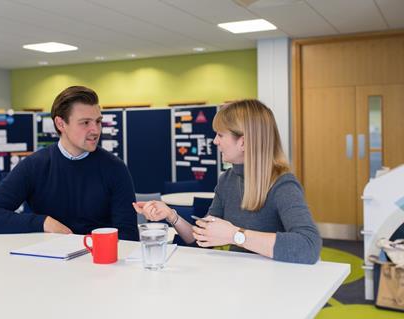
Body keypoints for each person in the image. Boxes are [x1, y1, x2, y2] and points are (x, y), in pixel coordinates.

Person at [134, 100, 322, 264]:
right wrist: (170, 215)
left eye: (220, 135)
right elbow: (200, 237)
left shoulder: (283, 184)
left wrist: (235, 235)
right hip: (236, 279)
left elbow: (309, 246)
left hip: (273, 285)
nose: (215, 141)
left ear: (244, 142)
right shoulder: (227, 180)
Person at [0, 86, 139, 240]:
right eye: (85, 122)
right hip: (47, 263)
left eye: (98, 121)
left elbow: (128, 236)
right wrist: (43, 222)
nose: (95, 130)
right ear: (61, 124)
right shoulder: (34, 166)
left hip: (100, 263)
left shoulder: (115, 168)